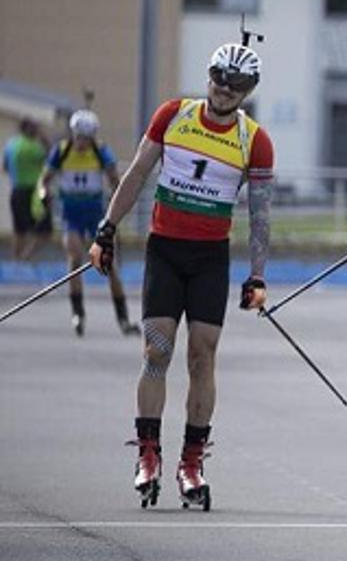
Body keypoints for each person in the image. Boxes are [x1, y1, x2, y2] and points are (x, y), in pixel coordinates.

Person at [88, 41, 274, 510]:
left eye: (237, 85)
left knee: (202, 357)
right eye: (219, 78)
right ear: (208, 75)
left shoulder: (255, 140)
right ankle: (148, 455)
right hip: (166, 251)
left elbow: (260, 216)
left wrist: (257, 277)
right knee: (157, 350)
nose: (225, 90)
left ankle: (192, 464)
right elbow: (134, 175)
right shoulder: (173, 115)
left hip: (211, 259)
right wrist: (106, 231)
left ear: (249, 90)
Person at [37, 109, 141, 336]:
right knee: (74, 259)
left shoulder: (100, 151)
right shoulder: (62, 152)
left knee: (109, 265)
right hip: (71, 215)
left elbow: (115, 180)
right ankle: (78, 313)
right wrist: (44, 194)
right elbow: (44, 180)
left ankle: (123, 319)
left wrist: (118, 204)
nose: (82, 142)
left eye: (87, 137)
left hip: (96, 215)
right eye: (79, 136)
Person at [4, 117, 51, 259]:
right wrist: (44, 139)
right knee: (44, 230)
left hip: (17, 190)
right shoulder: (34, 147)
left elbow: (5, 167)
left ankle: (17, 260)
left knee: (19, 230)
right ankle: (26, 257)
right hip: (34, 192)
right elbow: (52, 159)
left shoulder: (11, 145)